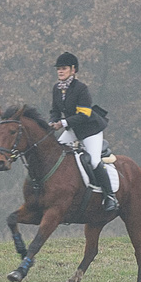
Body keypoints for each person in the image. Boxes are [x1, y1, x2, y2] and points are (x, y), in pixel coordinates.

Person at [51, 52, 117, 214]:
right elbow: (54, 110)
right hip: (73, 130)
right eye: (58, 69)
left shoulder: (81, 89)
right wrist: (52, 122)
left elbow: (84, 115)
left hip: (90, 130)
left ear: (73, 70)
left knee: (94, 161)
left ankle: (110, 197)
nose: (60, 71)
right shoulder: (57, 89)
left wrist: (63, 123)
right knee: (55, 155)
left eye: (64, 68)